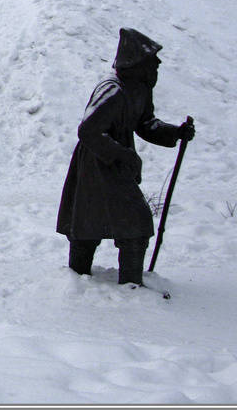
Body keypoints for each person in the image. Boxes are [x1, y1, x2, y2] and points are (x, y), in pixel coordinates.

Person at [57, 28, 195, 286]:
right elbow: (88, 130)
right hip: (97, 163)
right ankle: (79, 279)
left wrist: (175, 133)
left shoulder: (139, 90)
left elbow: (146, 123)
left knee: (124, 223)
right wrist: (123, 155)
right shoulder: (112, 91)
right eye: (152, 64)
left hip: (116, 162)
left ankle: (127, 282)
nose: (156, 69)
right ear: (136, 64)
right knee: (116, 222)